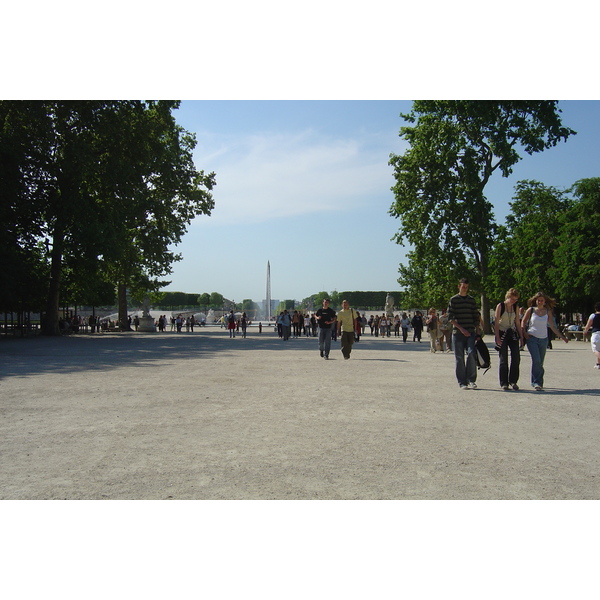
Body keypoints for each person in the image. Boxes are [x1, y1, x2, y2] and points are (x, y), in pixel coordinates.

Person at [521, 292, 568, 391]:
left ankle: (539, 381)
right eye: (538, 300)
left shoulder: (548, 311)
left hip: (543, 339)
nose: (540, 302)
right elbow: (523, 321)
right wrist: (524, 332)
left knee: (540, 362)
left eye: (542, 300)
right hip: (532, 337)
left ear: (545, 301)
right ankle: (536, 383)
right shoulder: (531, 310)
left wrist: (562, 336)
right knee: (536, 360)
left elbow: (552, 326)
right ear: (536, 301)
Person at [447, 278, 480, 390]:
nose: (465, 288)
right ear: (458, 286)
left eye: (466, 287)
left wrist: (478, 332)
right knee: (459, 357)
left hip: (470, 331)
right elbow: (450, 318)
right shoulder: (453, 300)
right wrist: (461, 329)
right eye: (463, 286)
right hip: (458, 333)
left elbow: (476, 316)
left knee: (471, 354)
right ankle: (462, 381)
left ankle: (471, 379)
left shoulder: (471, 300)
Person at [494, 288, 524, 390]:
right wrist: (497, 337)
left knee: (516, 357)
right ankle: (504, 382)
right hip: (502, 333)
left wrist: (521, 336)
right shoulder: (500, 306)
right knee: (503, 359)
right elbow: (496, 322)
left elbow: (517, 323)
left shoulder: (515, 307)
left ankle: (513, 380)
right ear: (508, 297)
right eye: (512, 299)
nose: (513, 301)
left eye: (515, 300)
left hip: (512, 333)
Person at [582, 302, 600, 369]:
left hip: (596, 334)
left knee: (595, 350)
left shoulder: (593, 315)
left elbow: (588, 325)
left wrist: (585, 331)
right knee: (599, 349)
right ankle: (598, 364)